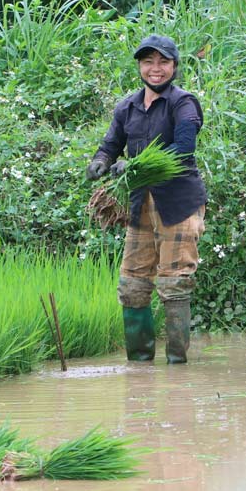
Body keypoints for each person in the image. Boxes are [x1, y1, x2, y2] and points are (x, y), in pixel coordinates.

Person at [86, 35, 207, 363]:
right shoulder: (127, 106)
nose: (155, 69)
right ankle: (139, 367)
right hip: (141, 202)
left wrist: (135, 164)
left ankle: (177, 365)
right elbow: (111, 144)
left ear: (174, 67)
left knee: (174, 283)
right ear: (140, 66)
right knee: (132, 284)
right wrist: (101, 162)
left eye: (163, 62)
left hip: (179, 203)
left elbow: (183, 150)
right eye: (148, 62)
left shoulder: (184, 103)